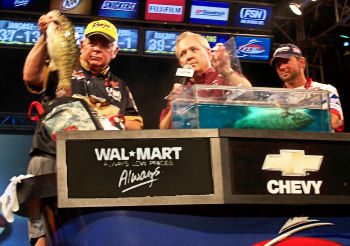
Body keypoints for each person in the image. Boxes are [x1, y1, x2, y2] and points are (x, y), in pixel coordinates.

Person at [23, 13, 143, 246]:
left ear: (114, 51)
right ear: (81, 45)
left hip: (93, 164)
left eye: (104, 44)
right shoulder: (62, 66)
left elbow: (136, 123)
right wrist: (42, 37)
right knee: (42, 234)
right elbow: (30, 77)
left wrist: (104, 116)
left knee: (85, 232)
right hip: (49, 154)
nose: (97, 49)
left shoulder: (120, 85)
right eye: (92, 42)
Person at [159, 31, 252, 129]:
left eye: (194, 50)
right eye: (183, 54)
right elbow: (164, 129)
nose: (189, 57)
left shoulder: (224, 76)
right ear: (181, 63)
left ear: (208, 53)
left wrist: (226, 72)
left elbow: (249, 95)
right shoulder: (181, 90)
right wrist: (175, 104)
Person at [270, 43, 344, 131]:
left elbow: (333, 121)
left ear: (301, 62)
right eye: (278, 65)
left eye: (286, 62)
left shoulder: (325, 90)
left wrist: (289, 117)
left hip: (319, 144)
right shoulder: (273, 98)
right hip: (285, 144)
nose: (281, 67)